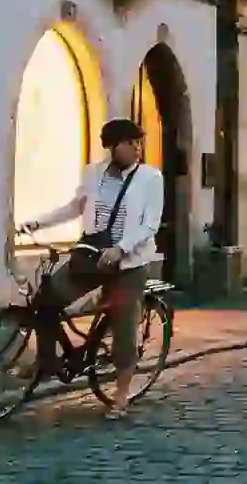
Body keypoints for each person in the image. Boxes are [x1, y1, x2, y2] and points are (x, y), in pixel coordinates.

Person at [22, 118, 164, 420]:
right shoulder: (94, 174)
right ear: (113, 147)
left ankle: (121, 395)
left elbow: (149, 224)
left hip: (129, 263)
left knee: (124, 324)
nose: (138, 148)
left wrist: (120, 248)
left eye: (139, 142)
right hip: (92, 257)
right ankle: (47, 362)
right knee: (46, 299)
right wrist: (38, 222)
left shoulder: (151, 178)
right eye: (131, 142)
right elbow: (75, 206)